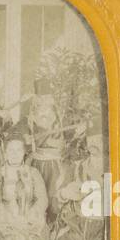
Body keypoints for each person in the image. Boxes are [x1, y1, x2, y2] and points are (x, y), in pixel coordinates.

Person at [28, 78, 81, 223]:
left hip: (55, 163)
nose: (43, 101)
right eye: (40, 98)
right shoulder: (32, 117)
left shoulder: (59, 115)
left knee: (54, 195)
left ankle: (55, 227)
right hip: (37, 162)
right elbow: (27, 137)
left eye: (46, 97)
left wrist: (76, 132)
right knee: (37, 194)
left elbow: (68, 136)